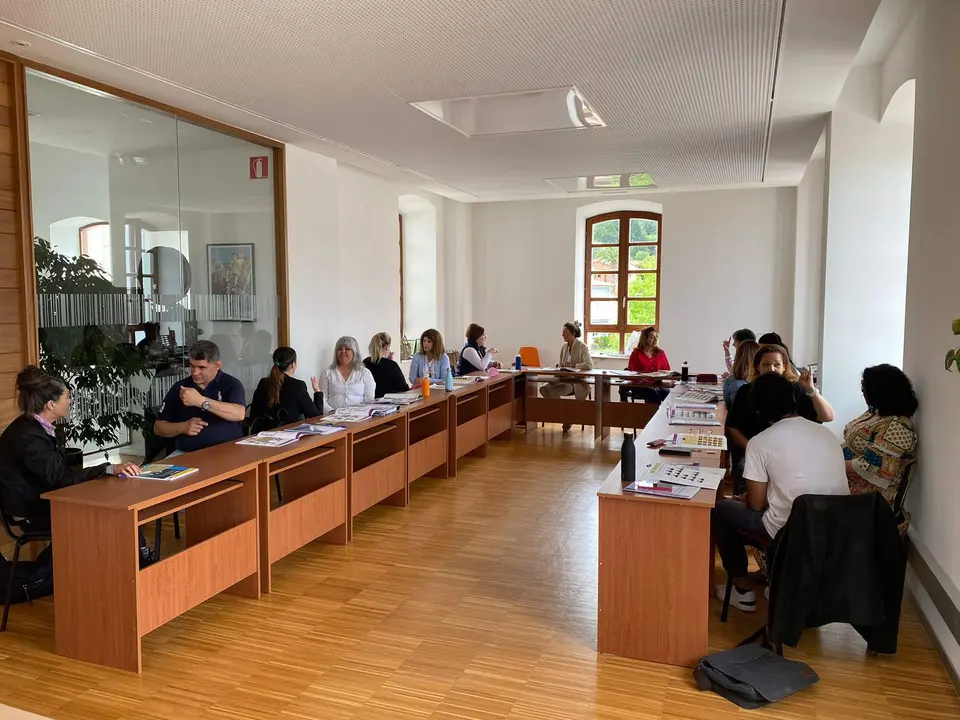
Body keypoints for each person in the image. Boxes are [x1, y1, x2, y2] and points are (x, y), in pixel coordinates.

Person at [712, 372, 849, 612]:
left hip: (789, 531)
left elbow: (755, 505)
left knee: (721, 510)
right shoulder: (827, 434)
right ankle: (781, 583)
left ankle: (742, 588)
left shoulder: (761, 442)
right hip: (835, 529)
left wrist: (754, 497)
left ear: (757, 410)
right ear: (793, 399)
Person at [0, 367, 142, 532]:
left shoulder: (34, 428)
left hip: (40, 501)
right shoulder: (29, 436)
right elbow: (60, 479)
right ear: (51, 404)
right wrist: (109, 468)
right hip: (30, 510)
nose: (70, 401)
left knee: (112, 512)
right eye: (67, 397)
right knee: (111, 516)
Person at [725, 344, 834, 478]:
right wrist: (752, 448)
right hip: (754, 450)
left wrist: (811, 390)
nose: (771, 369)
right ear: (758, 366)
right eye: (766, 364)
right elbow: (732, 428)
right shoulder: (746, 391)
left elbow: (827, 417)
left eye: (777, 364)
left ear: (784, 367)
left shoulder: (795, 390)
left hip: (790, 454)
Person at [842, 364, 919, 533]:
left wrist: (830, 465)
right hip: (846, 481)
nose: (862, 391)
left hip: (868, 496)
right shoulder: (874, 413)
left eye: (865, 386)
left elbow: (873, 467)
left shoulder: (898, 425)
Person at [154, 340, 247, 453]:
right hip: (187, 454)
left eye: (201, 367)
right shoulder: (180, 387)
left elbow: (239, 413)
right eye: (192, 366)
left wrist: (201, 401)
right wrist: (183, 427)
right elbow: (159, 427)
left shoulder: (231, 384)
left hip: (229, 452)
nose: (195, 372)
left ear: (217, 365)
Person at [250, 347, 323, 422]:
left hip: (262, 432)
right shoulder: (298, 386)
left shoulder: (263, 382)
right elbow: (316, 417)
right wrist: (317, 391)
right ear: (293, 364)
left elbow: (253, 413)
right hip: (287, 432)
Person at [318, 336, 376, 411]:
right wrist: (333, 412)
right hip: (333, 417)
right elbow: (322, 399)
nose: (343, 351)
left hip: (359, 416)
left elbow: (369, 399)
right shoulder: (327, 373)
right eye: (339, 349)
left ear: (354, 352)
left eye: (347, 349)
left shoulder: (365, 373)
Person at [620, 326, 671, 403]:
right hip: (639, 384)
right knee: (653, 394)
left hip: (656, 383)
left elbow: (666, 370)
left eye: (656, 337)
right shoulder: (636, 353)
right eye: (652, 337)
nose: (655, 339)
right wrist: (645, 380)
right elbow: (632, 373)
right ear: (645, 338)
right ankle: (652, 414)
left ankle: (666, 414)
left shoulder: (660, 353)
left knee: (667, 394)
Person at [363, 332, 409, 398]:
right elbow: (403, 388)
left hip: (369, 402)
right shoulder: (392, 365)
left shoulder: (365, 362)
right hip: (389, 403)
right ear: (387, 347)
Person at [722, 339, 759, 407]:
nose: (733, 344)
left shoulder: (732, 380)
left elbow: (728, 402)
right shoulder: (760, 382)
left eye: (735, 341)